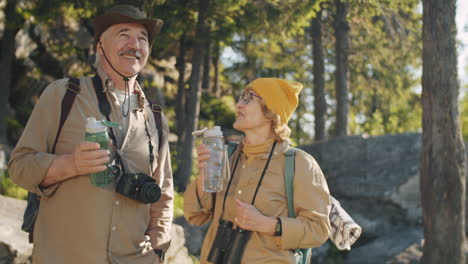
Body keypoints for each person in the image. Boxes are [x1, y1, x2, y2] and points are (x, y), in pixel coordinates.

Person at [8, 5, 173, 264]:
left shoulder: (157, 117)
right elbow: (19, 167)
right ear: (99, 47)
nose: (135, 44)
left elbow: (163, 195)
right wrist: (69, 165)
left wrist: (158, 251)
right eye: (123, 34)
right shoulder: (63, 94)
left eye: (143, 38)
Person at [184, 78, 332, 263]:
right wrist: (204, 175)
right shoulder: (227, 156)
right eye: (241, 98)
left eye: (248, 99)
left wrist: (269, 225)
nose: (238, 104)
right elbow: (195, 216)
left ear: (271, 111)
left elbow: (319, 230)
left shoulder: (299, 164)